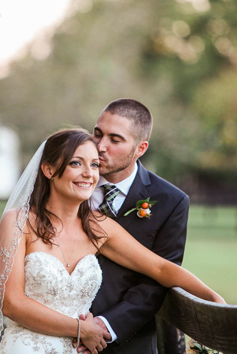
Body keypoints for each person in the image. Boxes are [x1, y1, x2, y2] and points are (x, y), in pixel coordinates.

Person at [0, 128, 224, 354]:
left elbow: (160, 267)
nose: (89, 173)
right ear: (48, 169)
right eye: (76, 163)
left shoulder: (98, 227)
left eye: (95, 164)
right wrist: (80, 329)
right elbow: (11, 304)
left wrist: (215, 299)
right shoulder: (18, 221)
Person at [79, 98, 190, 354]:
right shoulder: (68, 182)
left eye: (115, 140)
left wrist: (104, 326)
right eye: (97, 134)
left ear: (140, 148)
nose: (100, 146)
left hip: (127, 343)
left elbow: (157, 280)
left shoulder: (170, 201)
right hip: (56, 330)